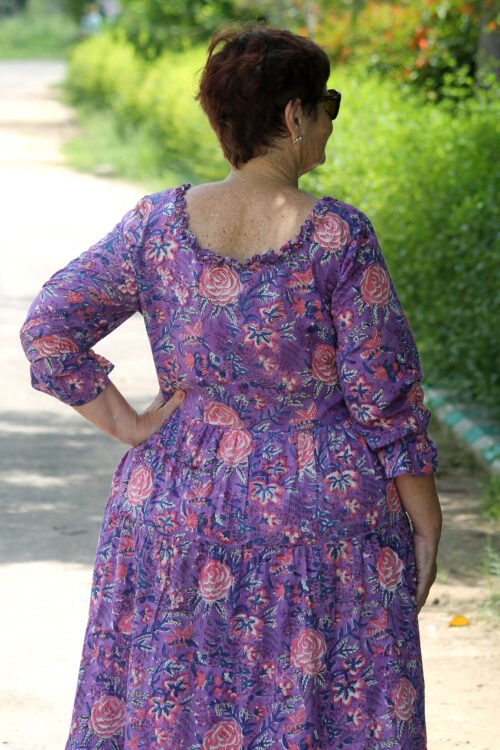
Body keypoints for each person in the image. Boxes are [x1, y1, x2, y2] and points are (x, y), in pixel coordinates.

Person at [20, 24, 442, 750]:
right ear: (294, 115)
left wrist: (128, 426)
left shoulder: (156, 225)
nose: (330, 118)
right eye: (328, 103)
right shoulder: (338, 237)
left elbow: (49, 328)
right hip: (321, 518)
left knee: (177, 706)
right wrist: (427, 522)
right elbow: (386, 399)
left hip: (176, 503)